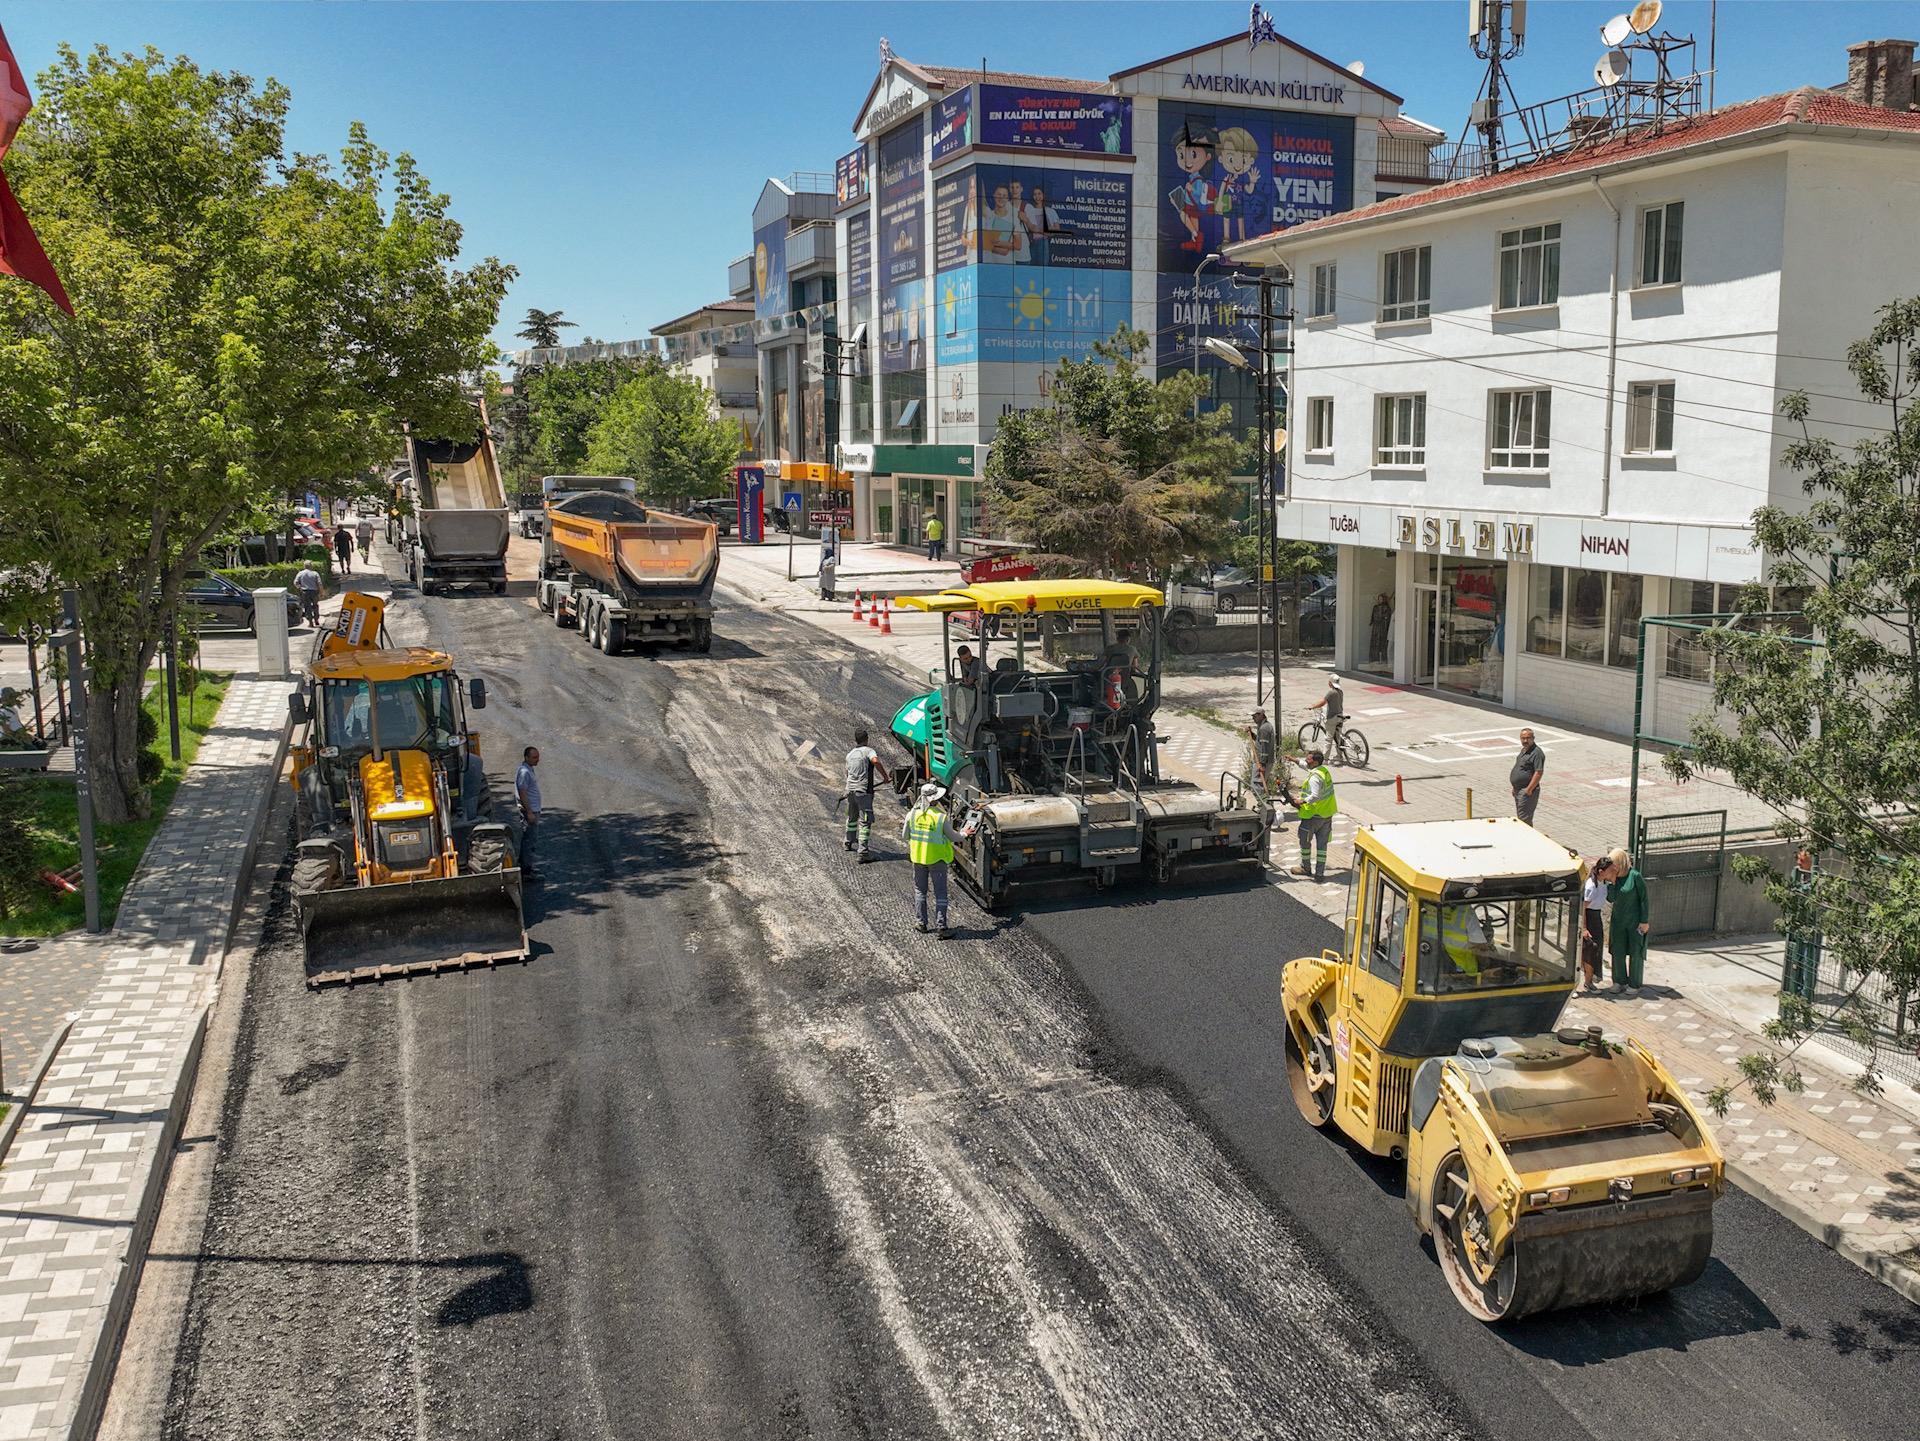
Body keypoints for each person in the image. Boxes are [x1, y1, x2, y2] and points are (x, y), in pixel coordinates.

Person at [901, 782, 977, 938]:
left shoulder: (912, 815)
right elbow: (953, 837)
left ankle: (921, 923)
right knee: (940, 894)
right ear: (935, 799)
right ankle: (941, 927)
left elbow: (905, 836)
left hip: (918, 859)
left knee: (920, 891)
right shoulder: (940, 817)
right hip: (937, 859)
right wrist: (964, 833)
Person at [1605, 847, 1651, 994]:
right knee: (1617, 951)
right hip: (1618, 921)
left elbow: (1644, 899)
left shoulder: (1635, 876)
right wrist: (1612, 883)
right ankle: (1619, 981)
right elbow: (1610, 898)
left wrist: (1644, 920)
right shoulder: (1614, 879)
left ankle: (1634, 984)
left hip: (1635, 921)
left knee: (1636, 952)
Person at [1292, 748, 1336, 881]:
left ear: (1315, 762)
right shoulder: (1323, 771)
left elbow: (1315, 796)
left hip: (1313, 816)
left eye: (1309, 759)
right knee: (1322, 846)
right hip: (1326, 814)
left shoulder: (1315, 778)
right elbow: (1305, 766)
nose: (1306, 760)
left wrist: (1301, 800)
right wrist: (1294, 760)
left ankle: (1306, 868)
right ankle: (1319, 874)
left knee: (1304, 841)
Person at [843, 728, 883, 860]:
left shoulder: (850, 754)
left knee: (852, 817)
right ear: (867, 739)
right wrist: (885, 777)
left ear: (855, 740)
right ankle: (863, 852)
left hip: (850, 790)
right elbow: (875, 761)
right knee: (865, 821)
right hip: (863, 791)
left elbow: (847, 773)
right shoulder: (868, 751)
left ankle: (848, 842)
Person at [1580, 855, 1611, 994]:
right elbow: (1583, 907)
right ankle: (1585, 982)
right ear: (1601, 871)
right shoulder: (1591, 886)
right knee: (1587, 951)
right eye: (1609, 871)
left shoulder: (1604, 882)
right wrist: (1584, 928)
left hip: (1596, 917)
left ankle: (1589, 981)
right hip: (1589, 917)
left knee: (1595, 951)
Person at [515, 745, 542, 883]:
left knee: (530, 840)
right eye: (534, 757)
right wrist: (530, 812)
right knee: (529, 841)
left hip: (533, 810)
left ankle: (526, 868)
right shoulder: (524, 772)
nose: (537, 759)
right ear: (526, 757)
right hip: (529, 812)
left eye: (538, 756)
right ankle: (526, 871)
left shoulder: (528, 769)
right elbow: (523, 792)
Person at [1511, 728, 1545, 826]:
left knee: (1524, 820)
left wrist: (1529, 789)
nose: (1525, 740)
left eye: (1528, 738)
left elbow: (1538, 772)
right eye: (1523, 738)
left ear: (1533, 738)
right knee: (1521, 817)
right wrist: (1515, 786)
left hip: (1527, 791)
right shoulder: (1524, 750)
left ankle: (1526, 835)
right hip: (1518, 789)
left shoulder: (1537, 753)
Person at [1307, 674, 1346, 751]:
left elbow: (1322, 702)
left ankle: (1325, 757)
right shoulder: (1340, 692)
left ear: (1330, 683)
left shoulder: (1331, 693)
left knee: (1328, 739)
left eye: (1329, 681)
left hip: (1333, 717)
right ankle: (1339, 755)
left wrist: (1313, 706)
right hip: (1340, 715)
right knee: (1338, 737)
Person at [1244, 708, 1277, 798]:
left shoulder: (1264, 729)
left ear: (1261, 715)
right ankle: (1265, 804)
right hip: (1263, 761)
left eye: (1254, 716)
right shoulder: (1263, 726)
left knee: (1256, 786)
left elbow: (1264, 749)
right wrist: (1251, 734)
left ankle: (1262, 803)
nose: (1253, 718)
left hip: (1262, 762)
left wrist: (1261, 764)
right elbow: (1260, 741)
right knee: (1260, 785)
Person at [293, 559, 322, 627]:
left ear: (304, 566)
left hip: (305, 592)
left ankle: (310, 622)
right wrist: (321, 592)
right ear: (311, 566)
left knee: (307, 607)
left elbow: (295, 582)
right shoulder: (315, 573)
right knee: (315, 606)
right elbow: (319, 583)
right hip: (314, 592)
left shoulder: (300, 573)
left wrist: (300, 588)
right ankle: (316, 620)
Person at [1369, 593, 1392, 665]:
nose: (1380, 600)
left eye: (1381, 599)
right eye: (1379, 598)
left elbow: (1387, 617)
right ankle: (1375, 659)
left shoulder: (1387, 608)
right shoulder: (1375, 607)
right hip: (1376, 627)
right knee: (1375, 642)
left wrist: (1383, 618)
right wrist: (1372, 621)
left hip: (1383, 627)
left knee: (1382, 642)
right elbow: (1373, 616)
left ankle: (1383, 659)